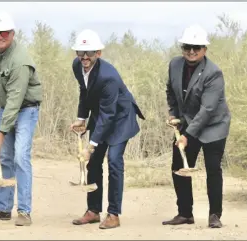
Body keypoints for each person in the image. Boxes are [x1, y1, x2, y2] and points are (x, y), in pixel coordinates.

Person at [69, 29, 145, 229]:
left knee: (113, 161)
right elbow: (84, 92)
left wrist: (91, 145)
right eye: (81, 52)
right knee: (93, 163)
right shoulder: (77, 66)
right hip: (102, 114)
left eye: (90, 53)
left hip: (120, 117)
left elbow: (109, 115)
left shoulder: (108, 77)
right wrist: (81, 117)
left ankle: (113, 214)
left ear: (98, 54)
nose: (85, 57)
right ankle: (93, 211)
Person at [0, 11, 42, 227]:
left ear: (12, 34)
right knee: (4, 158)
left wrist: (1, 133)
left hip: (25, 110)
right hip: (6, 108)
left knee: (20, 157)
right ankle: (3, 209)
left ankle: (24, 211)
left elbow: (15, 100)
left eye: (4, 32)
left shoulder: (20, 61)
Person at [162, 24, 231, 228]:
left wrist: (187, 136)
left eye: (197, 47)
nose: (191, 51)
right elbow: (170, 91)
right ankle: (185, 213)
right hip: (189, 122)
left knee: (212, 168)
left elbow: (208, 110)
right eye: (187, 47)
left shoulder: (213, 73)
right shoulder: (174, 64)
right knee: (178, 165)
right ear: (182, 47)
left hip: (213, 126)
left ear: (204, 50)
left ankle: (215, 215)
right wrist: (174, 114)